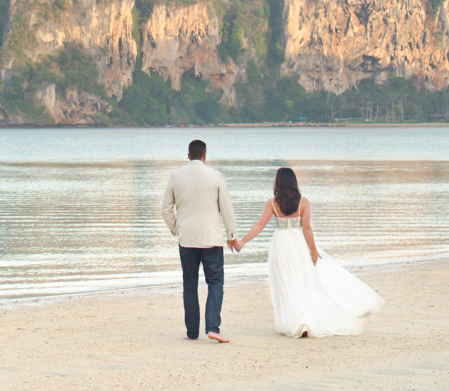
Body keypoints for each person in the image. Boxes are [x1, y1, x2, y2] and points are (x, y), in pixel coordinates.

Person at [236, 166, 384, 338]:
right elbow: (306, 228)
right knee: (302, 282)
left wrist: (242, 242)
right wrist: (313, 251)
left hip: (281, 245)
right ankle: (304, 321)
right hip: (298, 244)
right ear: (293, 182)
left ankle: (294, 322)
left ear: (278, 182)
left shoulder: (272, 203)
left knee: (285, 283)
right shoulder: (303, 202)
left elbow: (260, 225)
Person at [160, 139, 237, 343]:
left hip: (187, 240)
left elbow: (165, 209)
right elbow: (226, 209)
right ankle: (213, 327)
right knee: (215, 282)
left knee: (190, 285)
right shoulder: (216, 176)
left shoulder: (176, 176)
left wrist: (177, 228)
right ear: (205, 156)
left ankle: (192, 332)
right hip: (211, 238)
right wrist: (231, 235)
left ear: (188, 156)